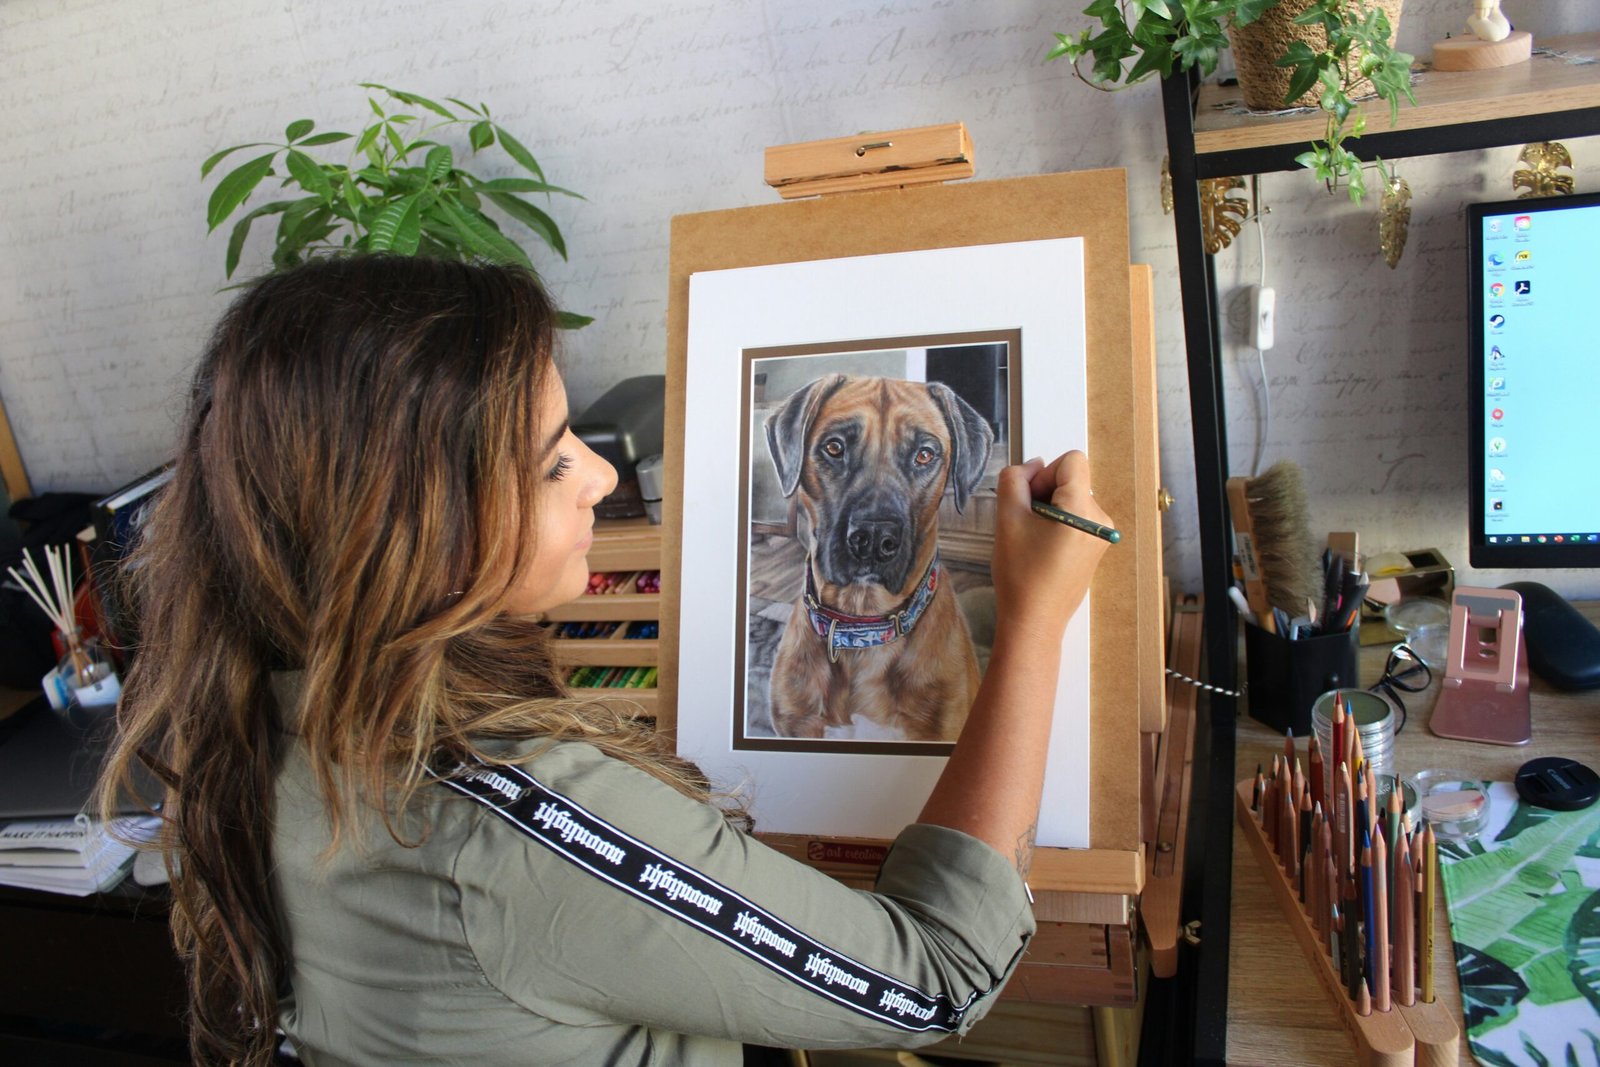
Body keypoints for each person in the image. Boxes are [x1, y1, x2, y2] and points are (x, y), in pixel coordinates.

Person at [96, 255, 1111, 1066]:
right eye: (551, 458)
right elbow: (934, 978)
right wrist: (1033, 616)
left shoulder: (277, 703)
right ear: (418, 529)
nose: (605, 471)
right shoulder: (508, 823)